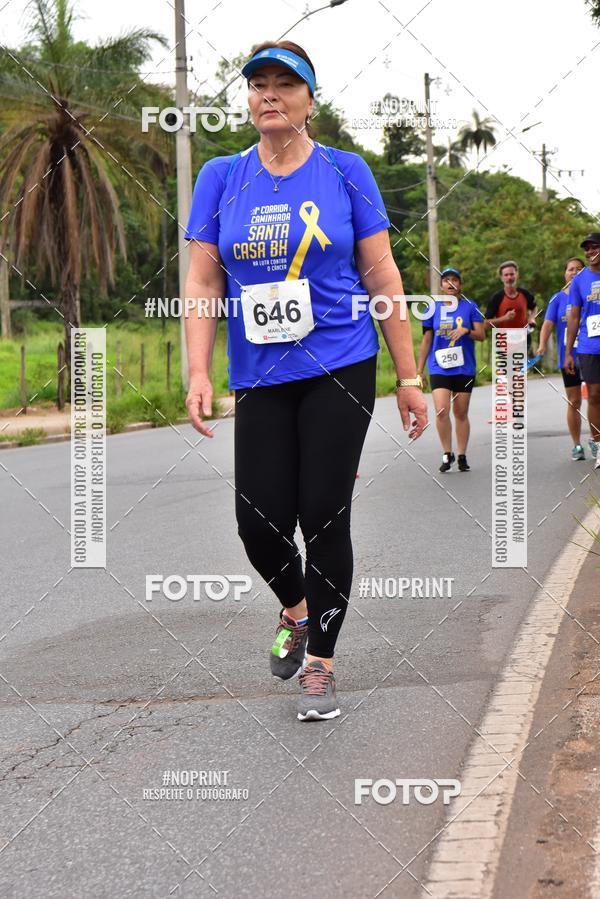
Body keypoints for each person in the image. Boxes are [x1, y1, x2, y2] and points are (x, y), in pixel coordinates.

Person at [182, 40, 428, 721]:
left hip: (340, 362)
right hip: (259, 371)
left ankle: (320, 661)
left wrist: (409, 374)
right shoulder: (222, 178)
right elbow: (204, 279)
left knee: (323, 513)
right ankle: (295, 605)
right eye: (258, 84)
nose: (269, 94)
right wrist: (199, 368)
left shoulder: (346, 172)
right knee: (257, 522)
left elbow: (382, 275)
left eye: (284, 85)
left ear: (310, 100)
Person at [417, 268, 485, 472]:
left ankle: (462, 454)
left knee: (461, 412)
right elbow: (427, 339)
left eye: (455, 280)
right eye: (446, 280)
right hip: (439, 366)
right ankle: (447, 453)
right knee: (441, 410)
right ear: (441, 285)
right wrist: (419, 371)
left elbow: (481, 335)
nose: (451, 283)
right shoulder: (432, 308)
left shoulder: (470, 306)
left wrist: (466, 330)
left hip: (464, 367)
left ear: (460, 285)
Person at [538, 257, 585, 460]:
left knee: (595, 398)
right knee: (574, 401)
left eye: (578, 269)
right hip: (569, 358)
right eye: (570, 269)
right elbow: (547, 325)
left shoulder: (591, 293)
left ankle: (596, 440)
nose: (574, 273)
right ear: (564, 273)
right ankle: (577, 445)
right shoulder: (557, 299)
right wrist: (541, 346)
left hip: (592, 352)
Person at [566, 232, 600, 470]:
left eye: (594, 247)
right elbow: (574, 317)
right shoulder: (580, 280)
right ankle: (599, 445)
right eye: (586, 249)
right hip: (589, 346)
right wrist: (568, 351)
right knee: (595, 395)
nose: (589, 252)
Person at [485, 261, 537, 353]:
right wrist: (504, 318)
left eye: (512, 274)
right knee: (507, 367)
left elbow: (534, 307)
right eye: (506, 275)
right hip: (503, 342)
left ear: (517, 275)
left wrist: (532, 318)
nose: (509, 278)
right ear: (501, 278)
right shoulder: (497, 298)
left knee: (519, 366)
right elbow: (486, 323)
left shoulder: (525, 294)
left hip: (523, 340)